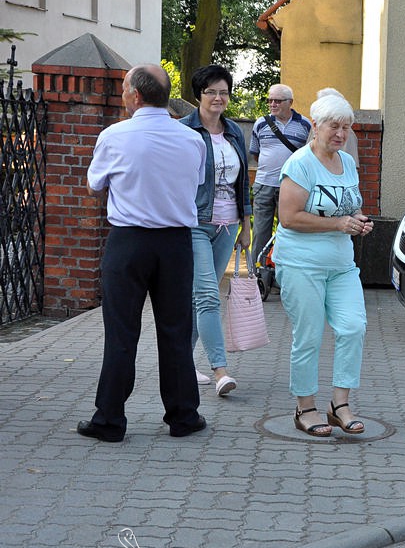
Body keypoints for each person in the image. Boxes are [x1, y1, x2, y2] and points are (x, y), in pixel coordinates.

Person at [77, 64, 207, 442]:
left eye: (123, 89)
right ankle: (184, 416)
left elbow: (94, 186)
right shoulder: (192, 140)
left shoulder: (114, 135)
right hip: (176, 243)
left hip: (128, 241)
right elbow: (195, 183)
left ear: (135, 95)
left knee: (121, 331)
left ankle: (110, 420)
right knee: (176, 332)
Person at [275, 89, 372, 437]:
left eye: (346, 127)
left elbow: (348, 205)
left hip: (341, 264)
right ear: (315, 126)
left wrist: (358, 220)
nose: (341, 134)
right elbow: (288, 217)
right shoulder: (299, 164)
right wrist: (338, 224)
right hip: (301, 264)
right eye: (334, 126)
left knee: (353, 327)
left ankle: (339, 405)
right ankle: (305, 407)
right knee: (310, 336)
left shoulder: (346, 162)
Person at [180, 65, 251, 396]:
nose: (219, 97)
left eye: (224, 91)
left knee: (201, 301)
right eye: (212, 92)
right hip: (195, 223)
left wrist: (246, 224)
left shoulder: (235, 131)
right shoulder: (184, 131)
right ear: (199, 95)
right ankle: (221, 370)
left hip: (228, 225)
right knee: (207, 295)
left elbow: (243, 183)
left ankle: (179, 362)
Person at [249, 83, 311, 267]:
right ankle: (257, 275)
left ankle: (283, 273)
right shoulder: (260, 123)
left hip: (292, 188)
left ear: (290, 102)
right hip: (264, 185)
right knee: (260, 232)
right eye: (270, 100)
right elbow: (256, 154)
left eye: (278, 101)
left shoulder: (305, 125)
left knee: (289, 232)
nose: (272, 104)